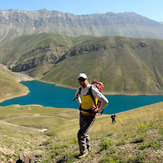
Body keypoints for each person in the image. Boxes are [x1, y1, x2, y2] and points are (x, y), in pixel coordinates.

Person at [75, 73, 108, 159]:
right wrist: (80, 103)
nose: (82, 82)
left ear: (87, 79)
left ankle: (84, 152)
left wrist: (98, 110)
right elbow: (76, 96)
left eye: (83, 80)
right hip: (82, 114)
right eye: (80, 80)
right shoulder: (80, 89)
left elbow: (105, 101)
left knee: (81, 134)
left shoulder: (92, 89)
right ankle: (88, 148)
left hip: (90, 116)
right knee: (85, 132)